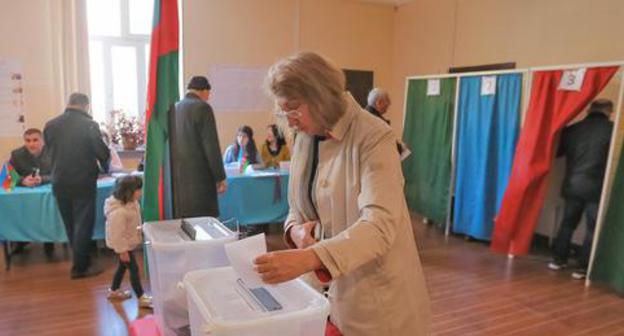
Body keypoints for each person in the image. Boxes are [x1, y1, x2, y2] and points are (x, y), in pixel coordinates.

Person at [253, 52, 431, 336]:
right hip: (322, 294)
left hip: (374, 298)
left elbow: (378, 226)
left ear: (321, 98)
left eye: (294, 110)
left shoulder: (374, 137)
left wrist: (310, 257)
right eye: (283, 112)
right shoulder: (305, 137)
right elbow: (296, 205)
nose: (290, 121)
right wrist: (294, 231)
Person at [44, 92, 111, 279]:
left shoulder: (50, 125)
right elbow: (102, 152)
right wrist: (104, 165)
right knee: (83, 223)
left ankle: (81, 261)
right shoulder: (89, 125)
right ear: (85, 105)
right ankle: (80, 268)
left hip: (58, 180)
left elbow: (49, 152)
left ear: (69, 103)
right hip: (82, 181)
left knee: (71, 224)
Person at [549, 99, 614, 280]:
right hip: (597, 187)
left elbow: (557, 153)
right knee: (592, 228)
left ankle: (557, 260)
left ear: (588, 109)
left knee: (567, 223)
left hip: (572, 184)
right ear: (609, 111)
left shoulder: (572, 129)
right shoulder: (612, 130)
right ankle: (582, 268)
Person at [170, 76, 227, 218]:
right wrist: (220, 177)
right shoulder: (203, 108)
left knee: (185, 226)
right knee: (204, 224)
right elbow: (211, 145)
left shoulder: (175, 107)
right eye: (208, 94)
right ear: (204, 90)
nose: (208, 98)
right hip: (200, 180)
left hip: (179, 179)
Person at [105, 175, 152, 308]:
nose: (141, 192)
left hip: (127, 243)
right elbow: (117, 234)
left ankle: (114, 290)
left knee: (122, 267)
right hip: (123, 245)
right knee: (134, 269)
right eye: (139, 190)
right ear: (130, 191)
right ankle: (141, 297)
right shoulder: (119, 212)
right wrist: (122, 250)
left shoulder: (131, 203)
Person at [9, 128, 55, 256]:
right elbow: (5, 178)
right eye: (28, 141)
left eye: (35, 140)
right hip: (25, 197)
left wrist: (43, 179)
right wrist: (22, 180)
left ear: (43, 141)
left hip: (48, 195)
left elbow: (60, 174)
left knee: (49, 210)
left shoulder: (53, 152)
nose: (31, 144)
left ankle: (49, 241)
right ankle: (20, 241)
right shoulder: (16, 154)